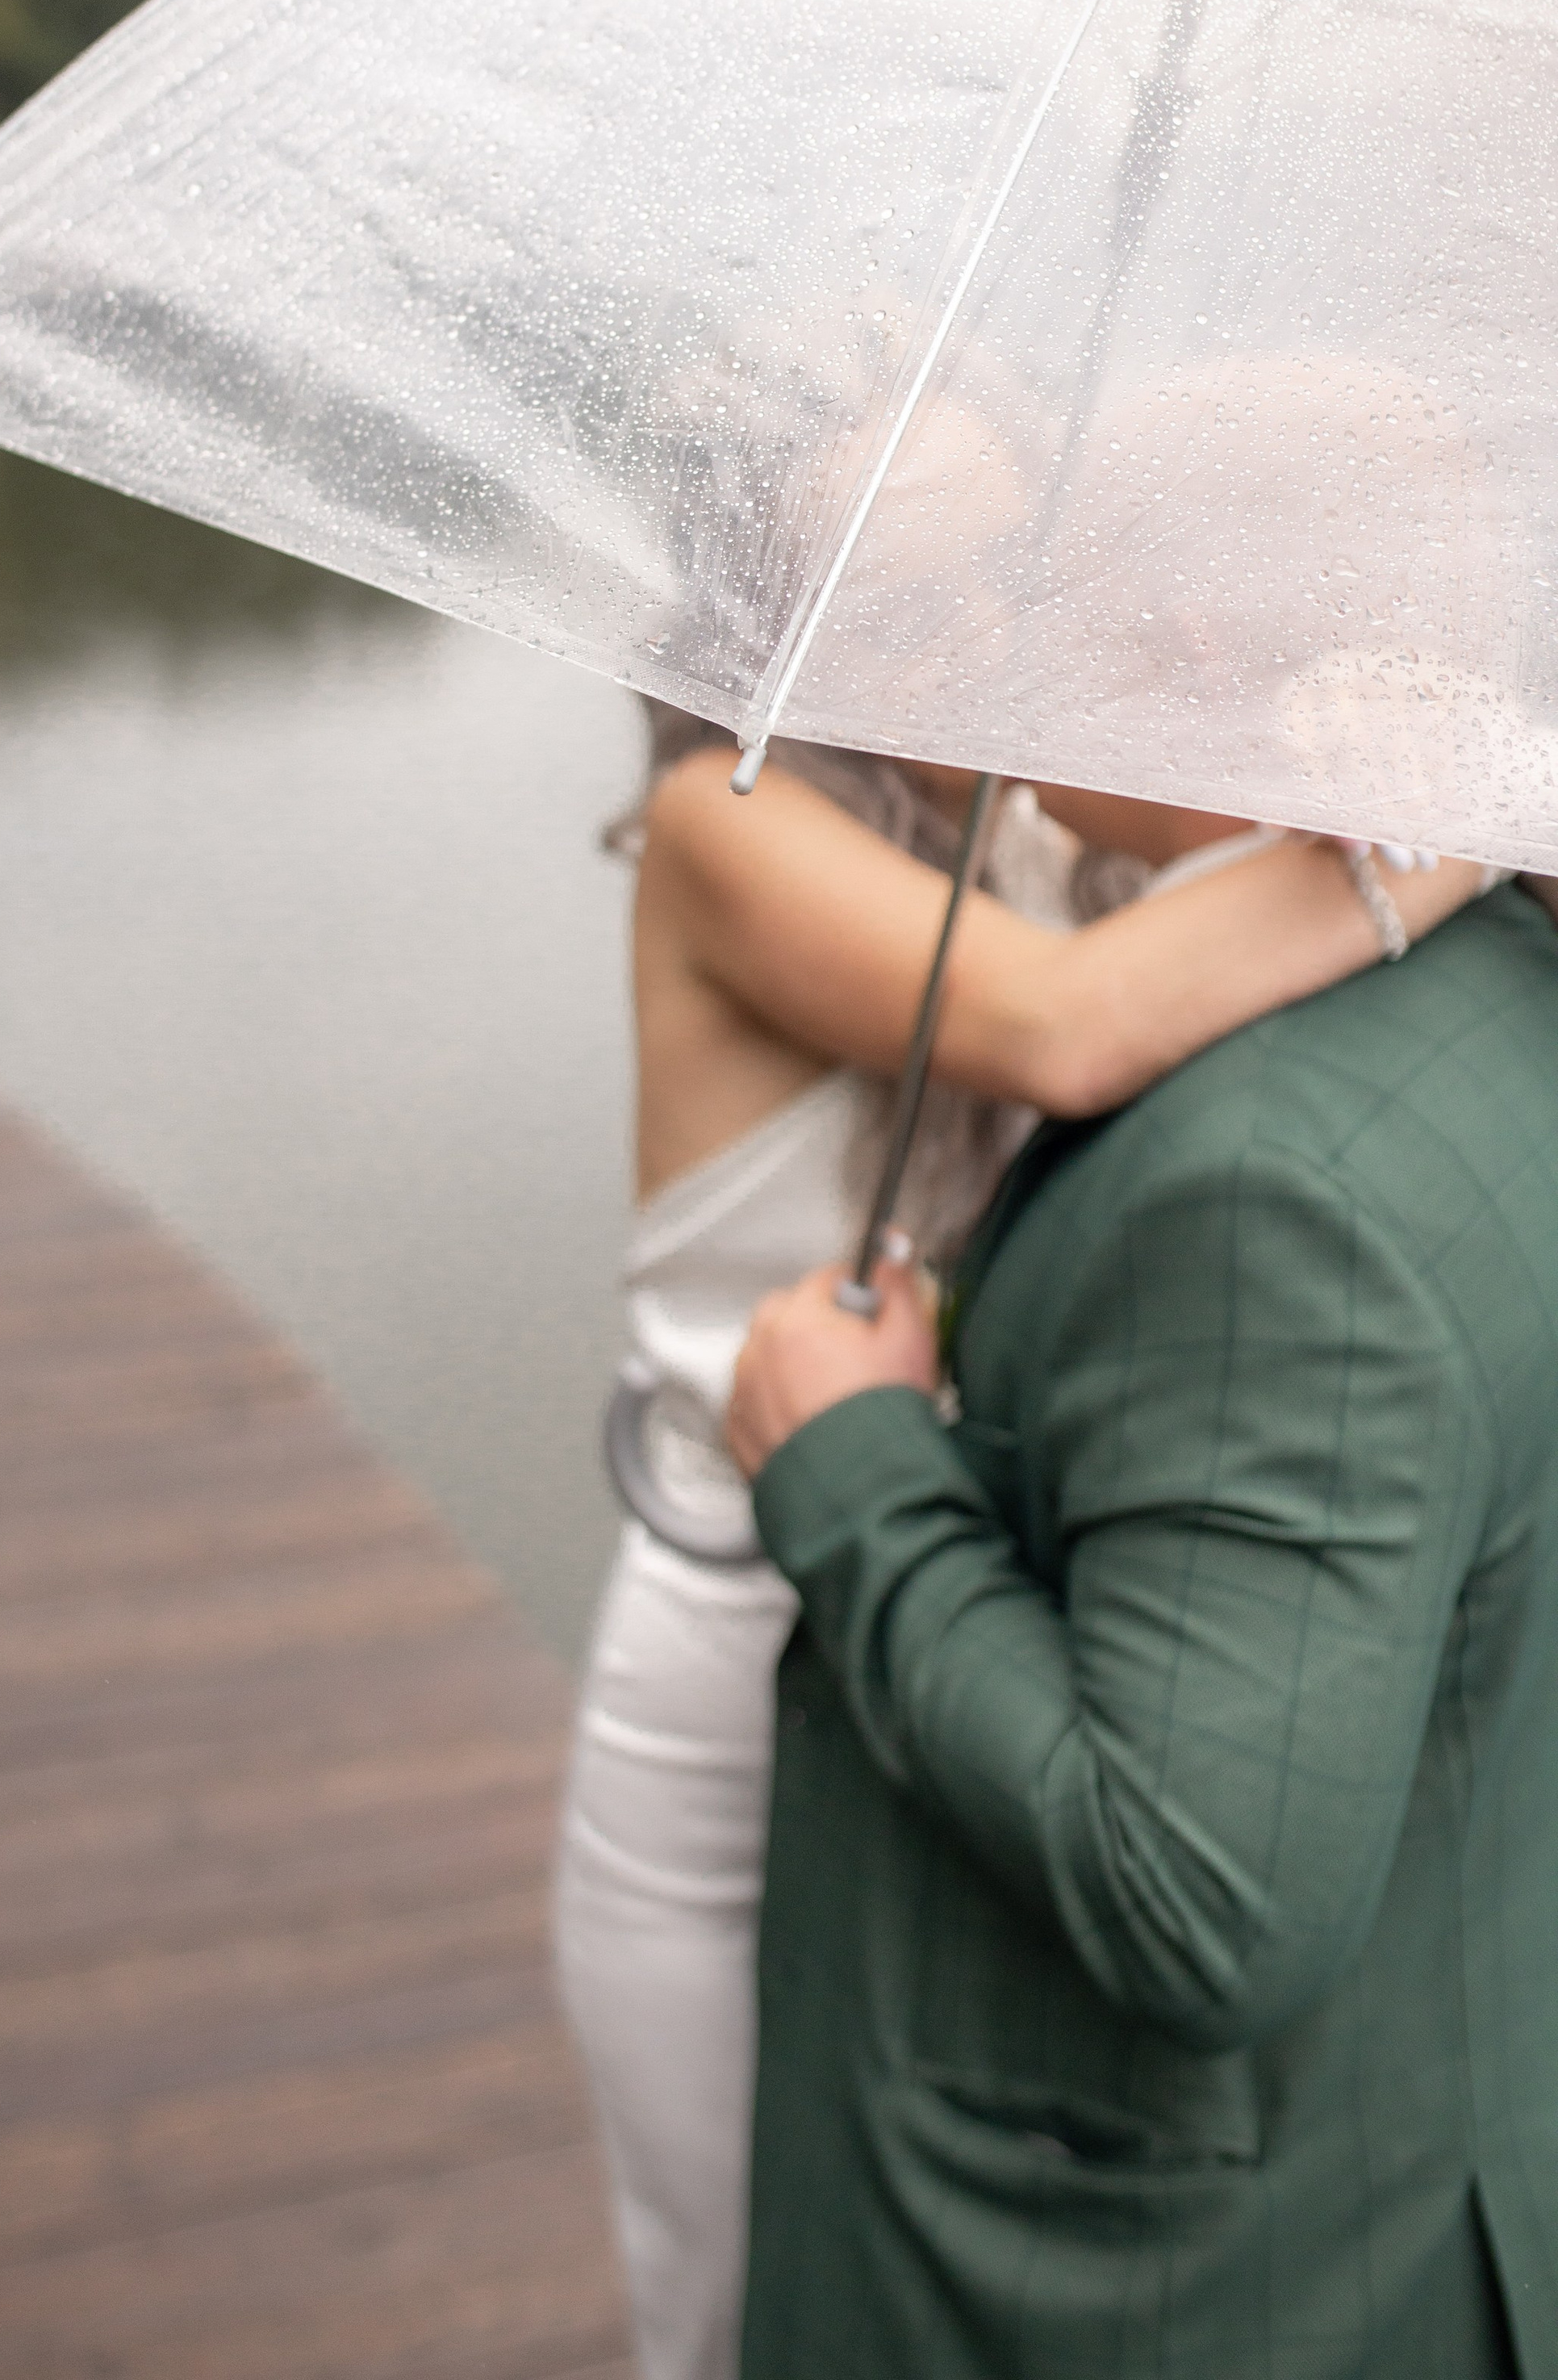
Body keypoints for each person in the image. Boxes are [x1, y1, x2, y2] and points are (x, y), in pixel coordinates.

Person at [555, 708, 1484, 2380]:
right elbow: (1063, 1029)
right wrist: (1467, 820)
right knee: (715, 2276)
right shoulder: (724, 817)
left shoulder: (1037, 827)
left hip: (942, 1607)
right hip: (736, 1624)